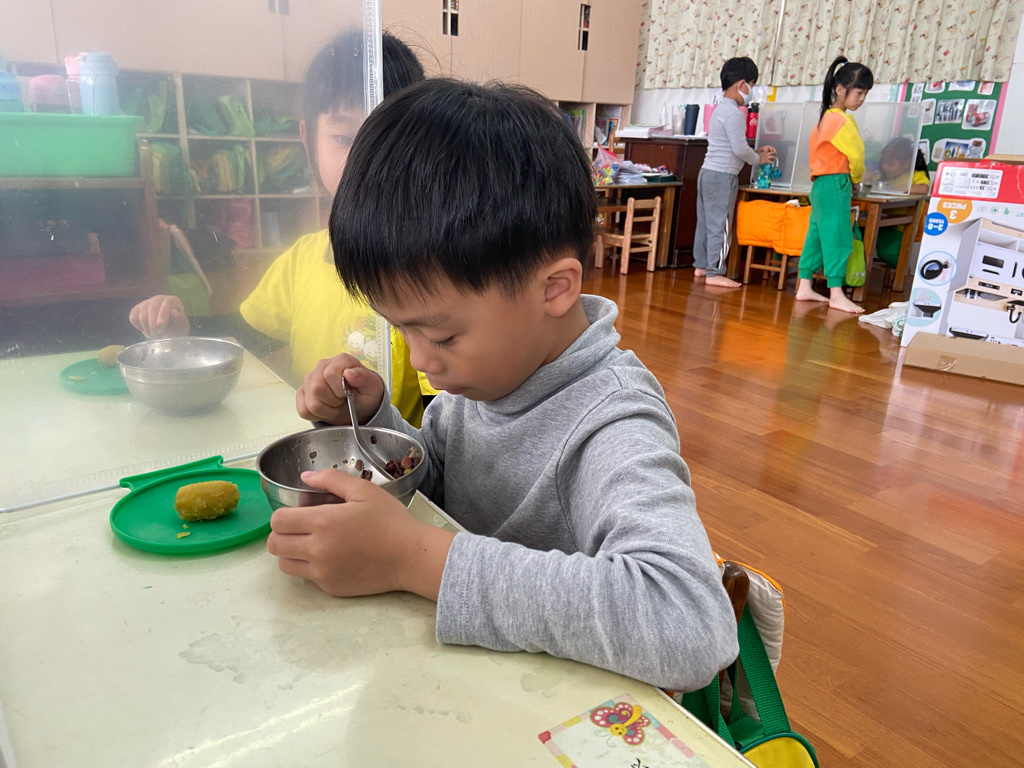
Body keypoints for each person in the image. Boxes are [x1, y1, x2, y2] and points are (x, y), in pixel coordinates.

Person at [266, 79, 738, 690]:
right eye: (403, 330)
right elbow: (444, 486)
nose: (420, 360)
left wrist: (413, 559)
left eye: (442, 335)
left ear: (554, 289)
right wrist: (372, 421)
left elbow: (690, 624)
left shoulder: (611, 422)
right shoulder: (486, 379)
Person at [129, 31, 436, 425]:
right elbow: (242, 339)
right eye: (344, 137)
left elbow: (448, 424)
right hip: (310, 455)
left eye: (387, 140)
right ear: (308, 140)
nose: (366, 160)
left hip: (398, 461)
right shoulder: (302, 260)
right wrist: (183, 330)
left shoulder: (435, 271)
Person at [795, 56, 874, 314]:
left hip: (819, 185)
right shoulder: (841, 120)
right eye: (859, 93)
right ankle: (836, 294)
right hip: (835, 183)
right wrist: (856, 179)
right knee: (839, 237)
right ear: (840, 89)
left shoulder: (824, 118)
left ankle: (804, 285)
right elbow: (857, 156)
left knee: (816, 235)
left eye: (865, 94)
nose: (862, 99)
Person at [693, 57, 776, 288]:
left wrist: (755, 152)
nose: (752, 90)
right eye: (752, 84)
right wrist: (758, 159)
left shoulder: (720, 109)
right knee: (721, 224)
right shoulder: (735, 113)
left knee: (706, 222)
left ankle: (702, 265)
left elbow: (731, 147)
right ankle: (715, 271)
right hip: (723, 177)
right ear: (741, 84)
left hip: (707, 172)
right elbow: (739, 149)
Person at [866, 139, 931, 268]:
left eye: (890, 164)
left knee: (888, 253)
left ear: (907, 163)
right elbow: (870, 184)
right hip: (879, 222)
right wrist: (867, 178)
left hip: (900, 227)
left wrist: (903, 189)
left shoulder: (915, 175)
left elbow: (924, 188)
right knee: (858, 240)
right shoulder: (883, 176)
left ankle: (903, 269)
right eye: (883, 163)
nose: (885, 167)